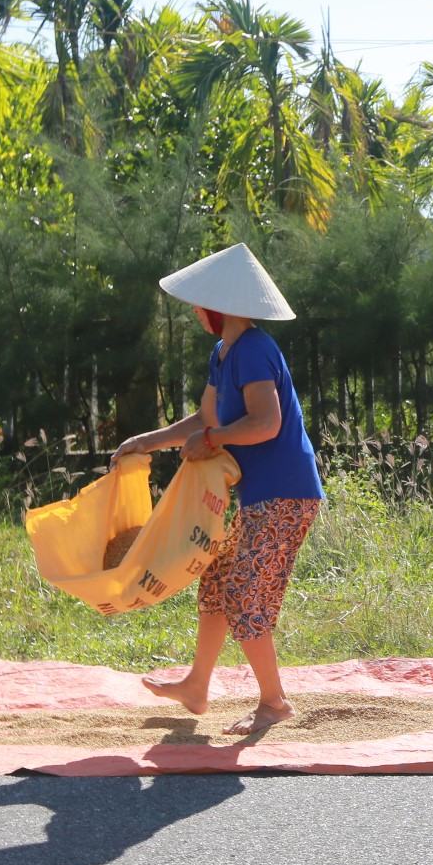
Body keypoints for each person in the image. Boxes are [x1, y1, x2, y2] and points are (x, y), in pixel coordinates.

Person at [112, 242, 325, 735]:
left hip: (285, 492)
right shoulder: (223, 353)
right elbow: (206, 419)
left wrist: (212, 439)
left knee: (247, 596)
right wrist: (147, 441)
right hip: (259, 495)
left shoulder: (253, 350)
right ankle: (197, 685)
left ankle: (274, 703)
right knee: (217, 581)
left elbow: (266, 423)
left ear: (220, 304)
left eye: (199, 302)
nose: (194, 310)